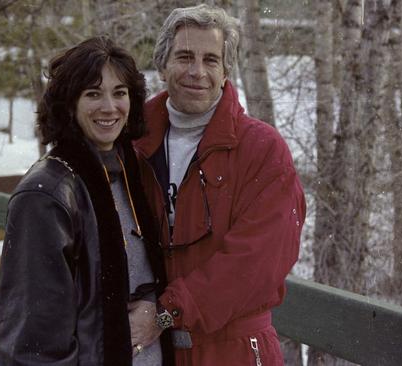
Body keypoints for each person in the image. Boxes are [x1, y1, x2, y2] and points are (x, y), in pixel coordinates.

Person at [129, 4, 306, 365]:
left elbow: (256, 263)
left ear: (226, 72)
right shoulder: (133, 142)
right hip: (153, 351)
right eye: (184, 57)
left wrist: (166, 312)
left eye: (211, 60)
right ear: (163, 66)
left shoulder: (261, 149)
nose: (197, 71)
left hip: (233, 350)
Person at [0, 36, 173, 366]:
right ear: (69, 103)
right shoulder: (45, 194)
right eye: (93, 94)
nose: (109, 107)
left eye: (120, 93)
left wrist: (154, 308)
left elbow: (135, 277)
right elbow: (33, 342)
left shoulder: (130, 174)